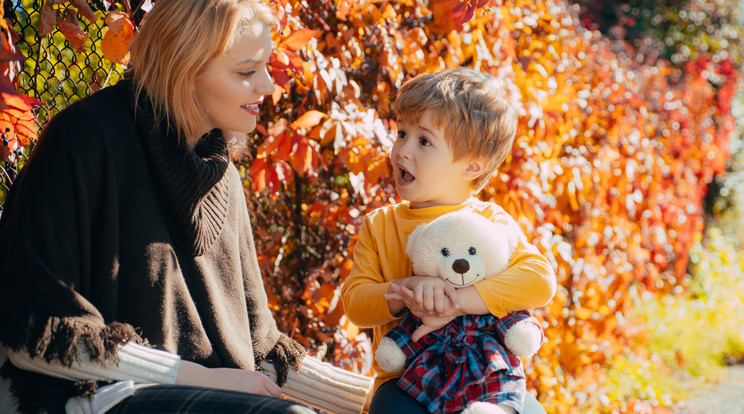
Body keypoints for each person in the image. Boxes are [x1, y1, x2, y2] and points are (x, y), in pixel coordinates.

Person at [0, 0, 315, 413]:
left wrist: (382, 396)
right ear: (185, 68)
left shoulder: (222, 177)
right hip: (96, 398)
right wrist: (205, 379)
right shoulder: (85, 140)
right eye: (246, 72)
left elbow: (261, 359)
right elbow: (34, 337)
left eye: (266, 67)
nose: (268, 86)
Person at [340, 68, 557, 414]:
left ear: (472, 166)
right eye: (401, 134)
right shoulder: (381, 226)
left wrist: (456, 300)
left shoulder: (491, 222)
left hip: (486, 381)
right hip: (407, 382)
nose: (402, 150)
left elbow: (539, 280)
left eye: (423, 141)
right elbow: (355, 303)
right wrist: (405, 289)